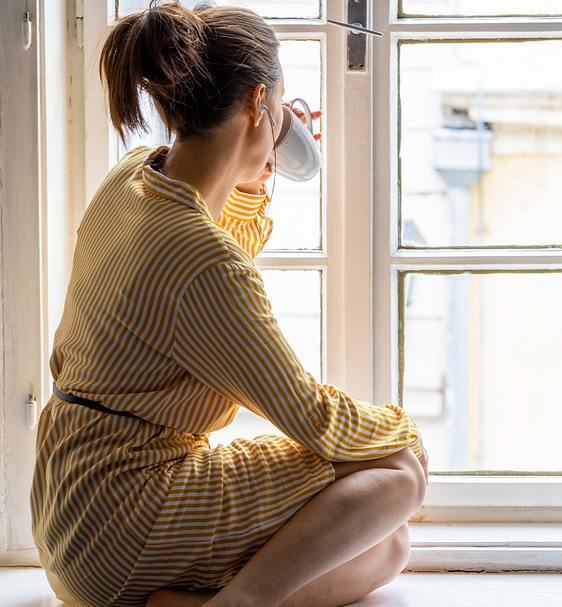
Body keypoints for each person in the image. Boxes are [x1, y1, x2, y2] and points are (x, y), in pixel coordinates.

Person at [28, 2, 429, 606]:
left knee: (386, 546)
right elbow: (311, 419)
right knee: (399, 473)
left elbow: (196, 270)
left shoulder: (131, 179)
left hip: (71, 515)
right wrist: (406, 432)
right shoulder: (202, 260)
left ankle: (199, 603)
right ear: (258, 101)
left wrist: (251, 169)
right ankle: (237, 605)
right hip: (124, 521)